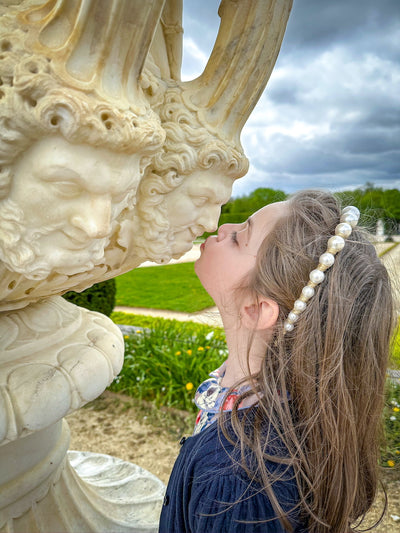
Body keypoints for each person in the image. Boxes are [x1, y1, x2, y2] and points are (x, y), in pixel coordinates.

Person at [159, 190, 394, 533]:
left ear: (257, 309)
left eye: (240, 237)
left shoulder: (239, 484)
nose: (223, 228)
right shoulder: (262, 397)